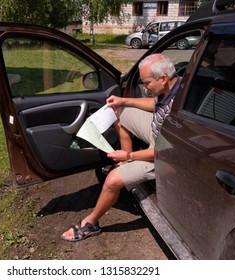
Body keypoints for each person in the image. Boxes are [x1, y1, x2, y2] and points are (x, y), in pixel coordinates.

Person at [61, 53, 181, 242]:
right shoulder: (175, 85)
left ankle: (90, 224)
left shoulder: (179, 109)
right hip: (159, 135)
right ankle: (125, 163)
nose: (145, 88)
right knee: (118, 112)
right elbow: (154, 103)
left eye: (147, 83)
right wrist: (123, 101)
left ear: (163, 78)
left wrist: (130, 154)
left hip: (164, 154)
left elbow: (161, 151)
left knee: (112, 180)